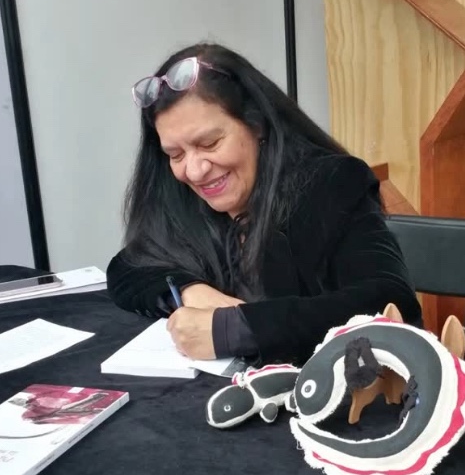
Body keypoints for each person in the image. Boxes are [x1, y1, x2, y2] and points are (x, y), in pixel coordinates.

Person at [106, 42, 422, 367]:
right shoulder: (185, 198)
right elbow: (129, 266)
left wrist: (235, 327)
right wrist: (191, 291)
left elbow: (390, 301)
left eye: (210, 143)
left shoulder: (332, 183)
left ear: (256, 124)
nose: (195, 170)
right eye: (176, 154)